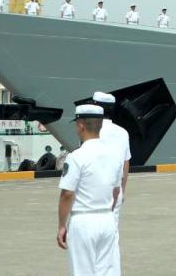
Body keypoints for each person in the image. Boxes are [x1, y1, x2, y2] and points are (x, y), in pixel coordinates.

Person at [56, 104, 122, 276]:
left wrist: (62, 225)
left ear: (81, 126)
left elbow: (67, 194)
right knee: (107, 271)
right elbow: (116, 191)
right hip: (107, 219)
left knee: (83, 271)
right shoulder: (115, 155)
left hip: (83, 220)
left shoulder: (76, 156)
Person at [91, 92, 131, 233]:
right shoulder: (123, 132)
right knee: (112, 230)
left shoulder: (91, 131)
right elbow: (125, 163)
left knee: (93, 231)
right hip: (116, 187)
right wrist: (122, 190)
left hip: (93, 189)